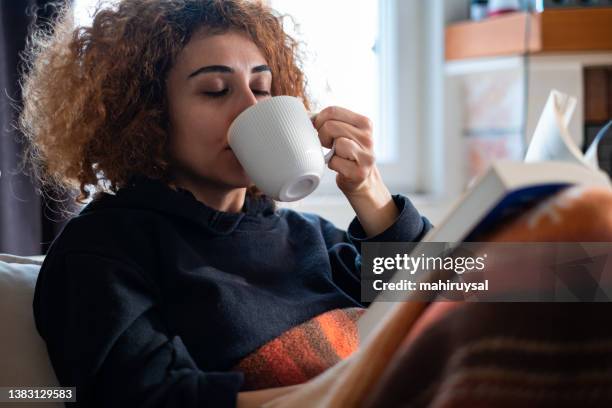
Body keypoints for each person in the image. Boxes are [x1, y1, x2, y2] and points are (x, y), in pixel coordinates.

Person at [19, 0, 432, 406]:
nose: (250, 108)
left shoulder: (311, 237)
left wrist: (370, 193)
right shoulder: (103, 249)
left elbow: (468, 294)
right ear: (148, 113)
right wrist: (360, 391)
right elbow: (144, 396)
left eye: (262, 88)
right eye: (216, 90)